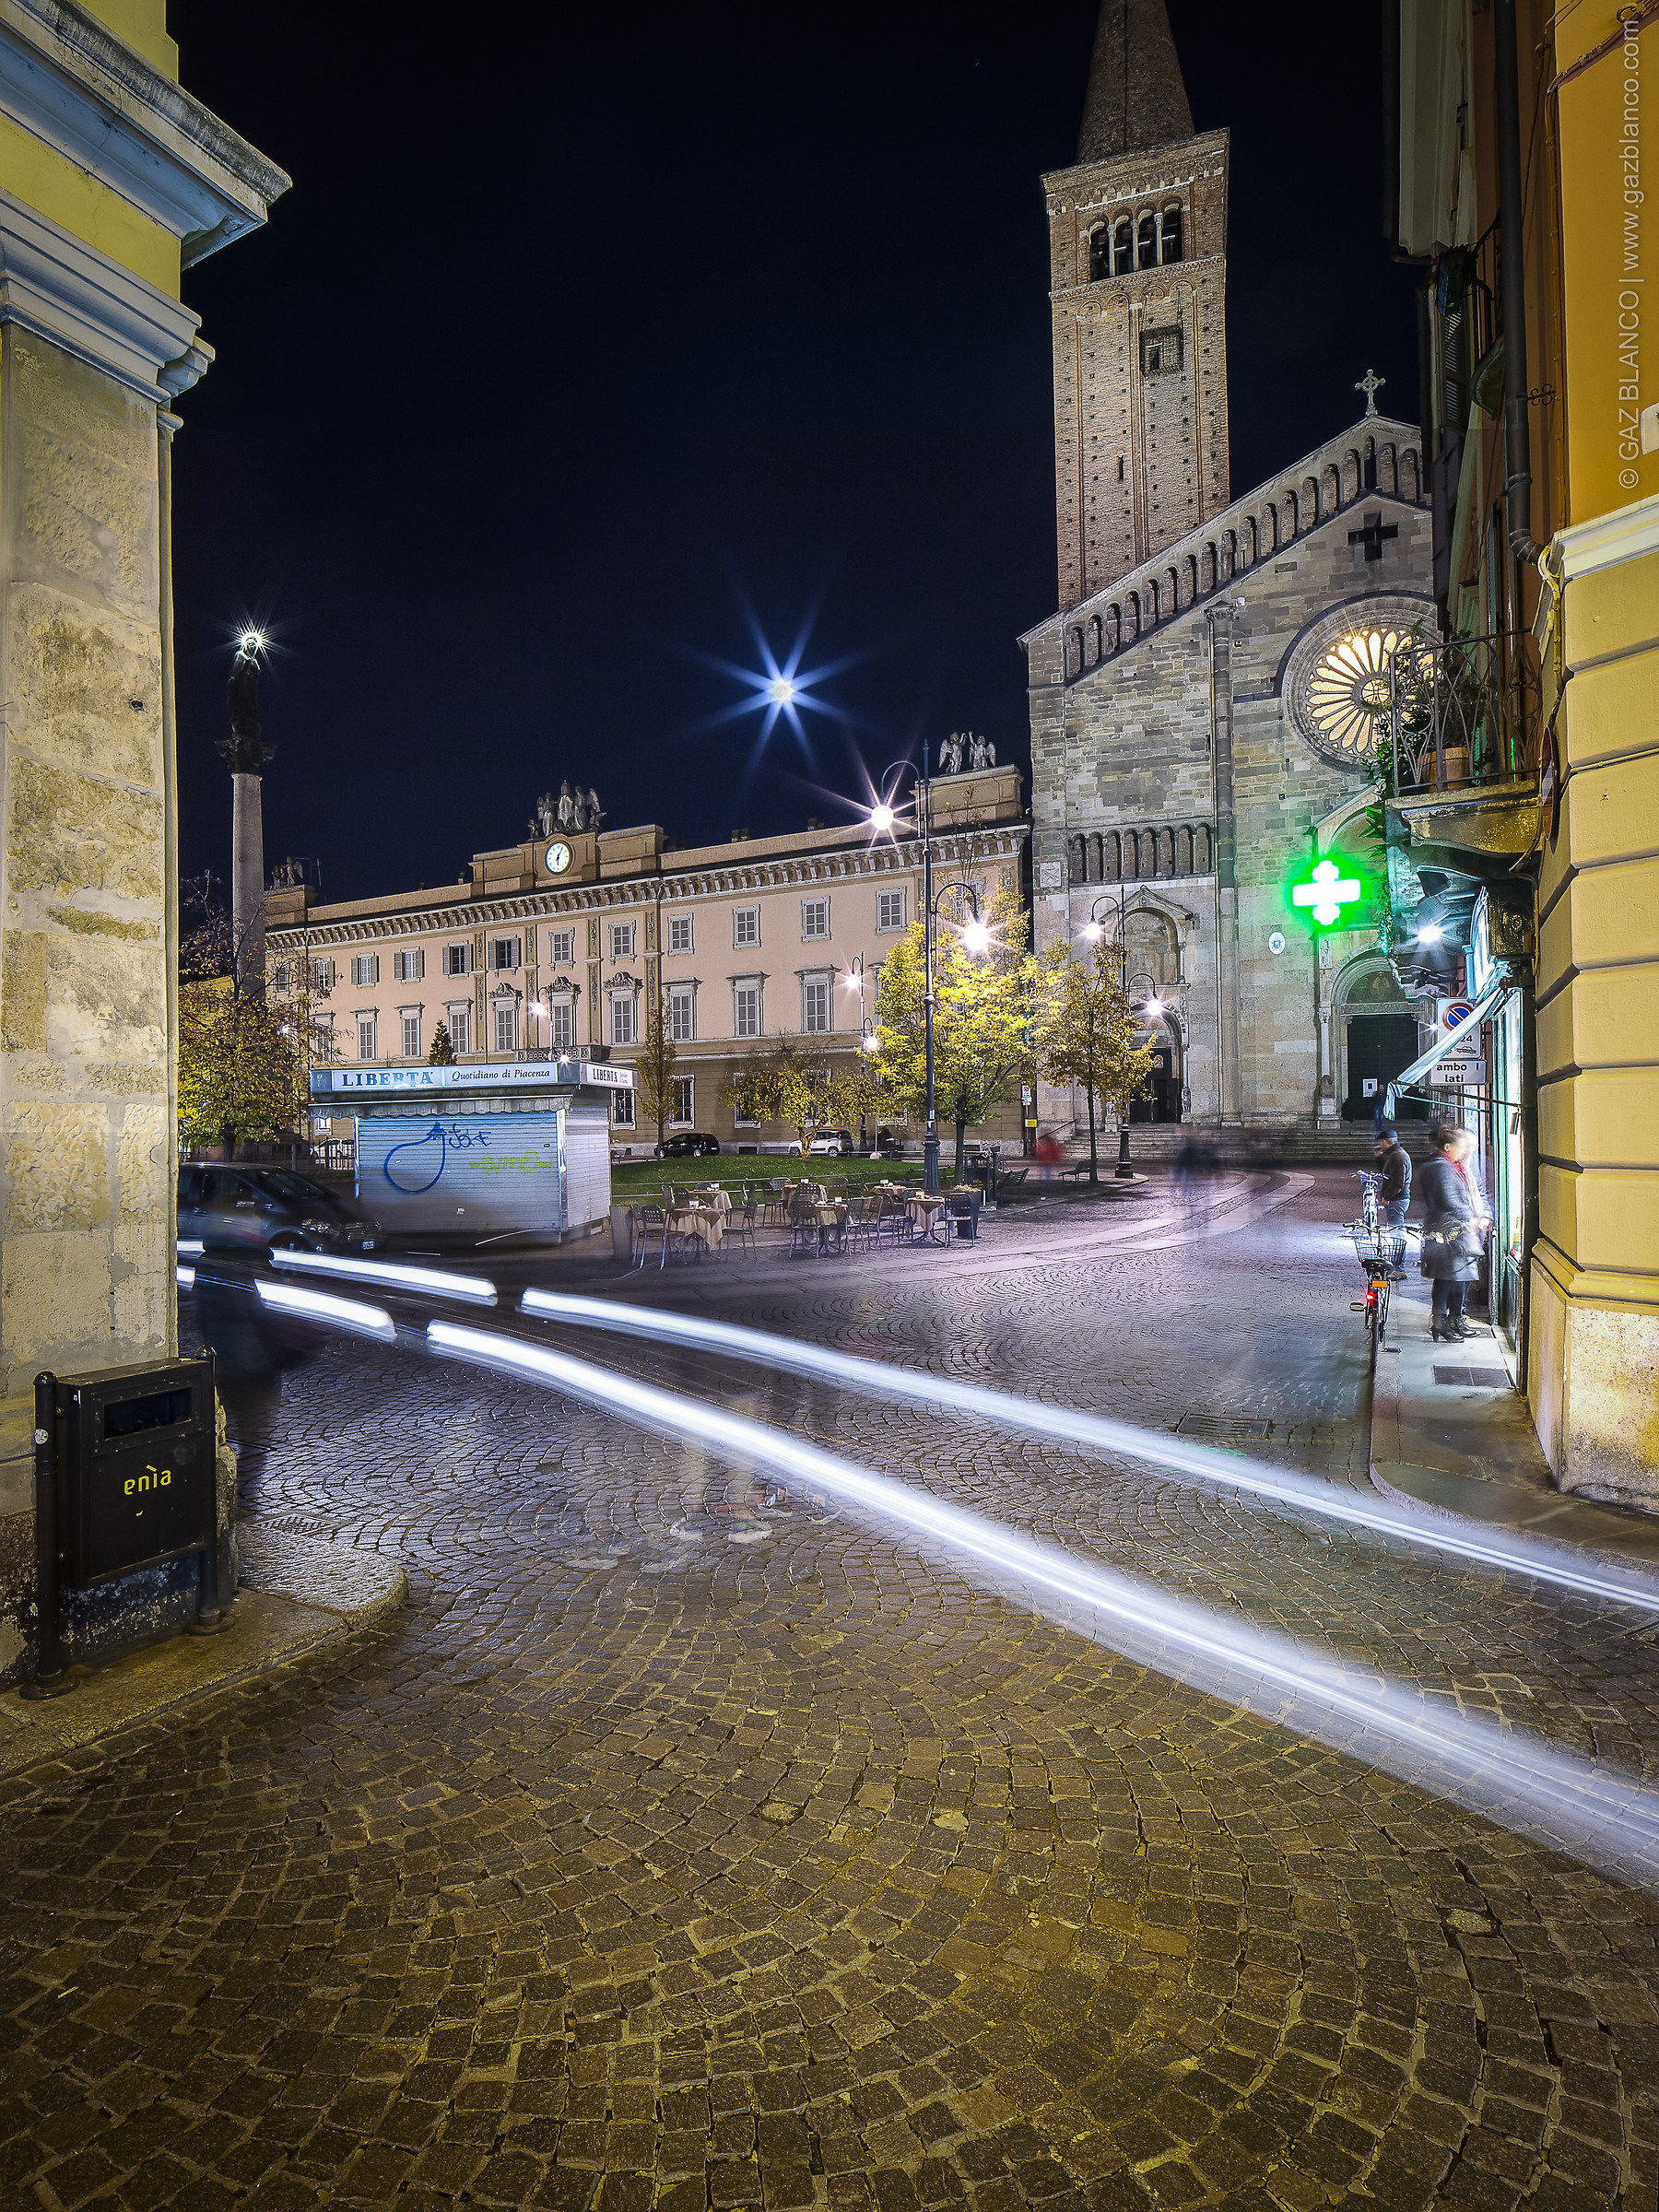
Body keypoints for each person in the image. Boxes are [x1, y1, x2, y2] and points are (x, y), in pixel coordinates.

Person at [1418, 1121, 1483, 1341]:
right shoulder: (1441, 1167)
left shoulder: (1449, 1165)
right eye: (1460, 1146)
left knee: (1453, 1279)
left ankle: (1452, 1321)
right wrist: (1471, 1218)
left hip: (1450, 1231)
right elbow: (1449, 1200)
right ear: (1448, 1147)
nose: (1464, 1150)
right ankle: (1441, 1324)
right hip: (1449, 1233)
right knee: (1447, 1280)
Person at [1372, 1121, 1411, 1229]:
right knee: (1395, 1228)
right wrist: (1378, 1158)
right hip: (1398, 1198)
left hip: (1396, 1199)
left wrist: (1387, 1196)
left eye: (1381, 1142)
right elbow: (1385, 1172)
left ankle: (1399, 1246)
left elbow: (1398, 1182)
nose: (1380, 1144)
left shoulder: (1397, 1156)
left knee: (1396, 1230)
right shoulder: (1396, 1154)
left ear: (1386, 1142)